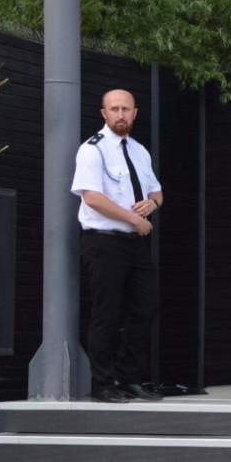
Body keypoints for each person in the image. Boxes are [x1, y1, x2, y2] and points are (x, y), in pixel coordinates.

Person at [71, 88, 165, 403]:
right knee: (106, 313)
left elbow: (156, 191)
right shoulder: (93, 150)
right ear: (104, 113)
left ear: (135, 113)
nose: (120, 114)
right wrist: (133, 218)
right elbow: (92, 197)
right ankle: (102, 383)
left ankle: (129, 377)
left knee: (147, 306)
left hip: (135, 243)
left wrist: (152, 205)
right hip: (104, 241)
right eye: (114, 109)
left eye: (126, 109)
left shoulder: (139, 151)